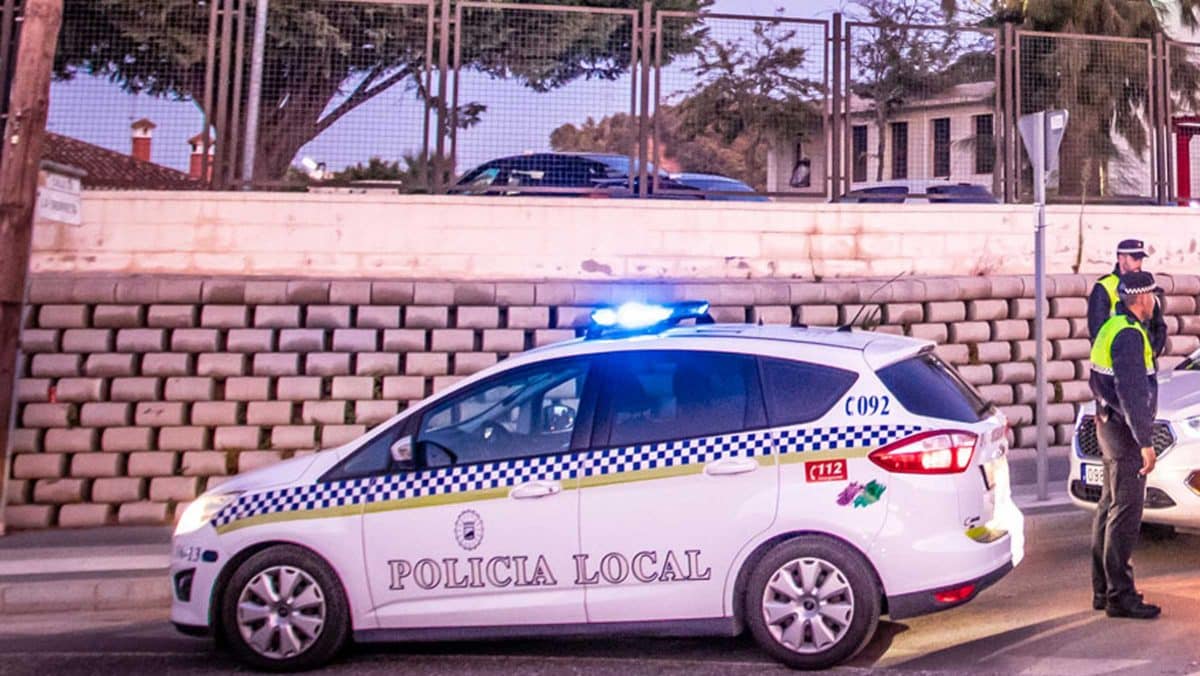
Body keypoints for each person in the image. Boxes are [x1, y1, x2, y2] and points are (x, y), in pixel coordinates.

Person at [1088, 271, 1162, 620]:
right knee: (1126, 513)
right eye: (1152, 296)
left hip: (1108, 426)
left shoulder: (1113, 326)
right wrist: (1145, 442)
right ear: (1142, 298)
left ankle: (1103, 589)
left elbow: (1102, 383)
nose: (1154, 302)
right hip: (1125, 433)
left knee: (1109, 508)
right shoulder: (1130, 336)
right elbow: (1133, 394)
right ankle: (1120, 595)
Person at [1087, 239, 1166, 358]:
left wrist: (1153, 351)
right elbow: (1098, 330)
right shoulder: (1104, 287)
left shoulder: (1145, 286)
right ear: (1121, 258)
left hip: (1144, 359)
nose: (1139, 263)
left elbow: (1159, 325)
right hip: (1115, 360)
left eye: (1140, 259)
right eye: (1135, 258)